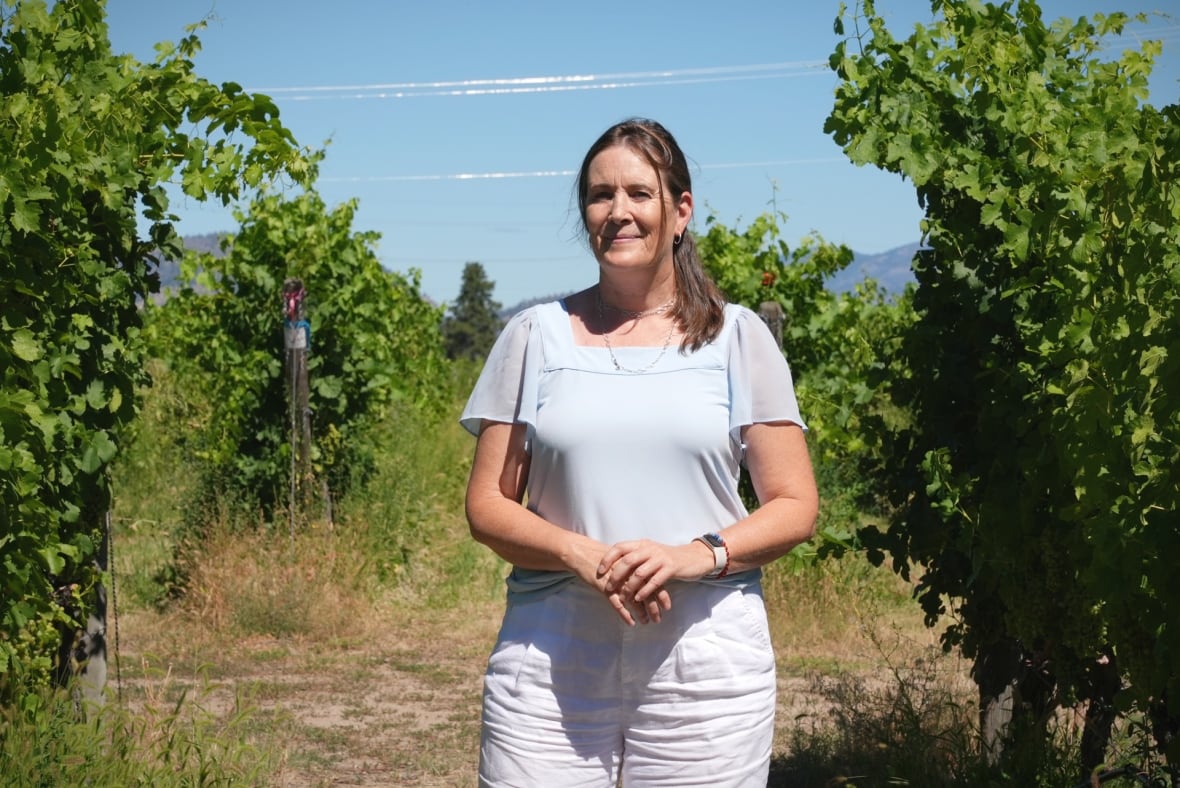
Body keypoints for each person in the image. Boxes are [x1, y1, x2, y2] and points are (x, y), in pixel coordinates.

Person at [460, 117, 819, 787]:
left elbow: (795, 505)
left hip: (706, 662)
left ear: (680, 211)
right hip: (549, 658)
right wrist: (584, 554)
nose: (617, 211)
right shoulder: (533, 337)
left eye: (638, 193)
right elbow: (486, 505)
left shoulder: (739, 340)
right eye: (599, 196)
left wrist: (692, 555)